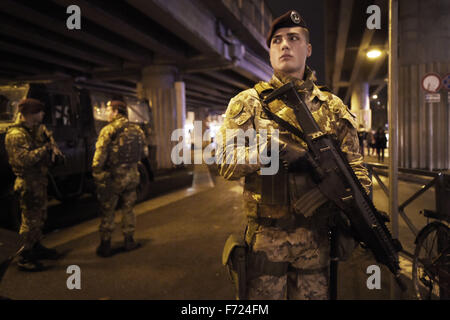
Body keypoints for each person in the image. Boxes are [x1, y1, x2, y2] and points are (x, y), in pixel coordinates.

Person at [217, 10, 371, 300]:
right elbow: (226, 162)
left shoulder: (333, 108)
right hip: (265, 241)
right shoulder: (248, 103)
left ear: (308, 49)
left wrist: (355, 207)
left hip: (317, 240)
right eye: (277, 40)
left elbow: (357, 169)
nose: (284, 45)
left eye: (293, 38)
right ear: (271, 51)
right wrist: (271, 151)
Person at [5, 98, 63, 271]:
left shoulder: (34, 130)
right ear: (30, 114)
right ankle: (23, 256)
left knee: (39, 218)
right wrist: (44, 149)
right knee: (29, 221)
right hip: (28, 183)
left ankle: (36, 247)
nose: (43, 114)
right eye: (39, 111)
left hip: (38, 181)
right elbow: (23, 160)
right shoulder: (16, 135)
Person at [92, 100, 148, 257]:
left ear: (116, 112)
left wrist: (97, 174)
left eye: (109, 110)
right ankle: (129, 240)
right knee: (128, 209)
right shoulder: (137, 130)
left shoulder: (108, 130)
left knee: (108, 210)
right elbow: (144, 153)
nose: (108, 113)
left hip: (113, 178)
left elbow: (99, 158)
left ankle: (106, 244)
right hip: (132, 176)